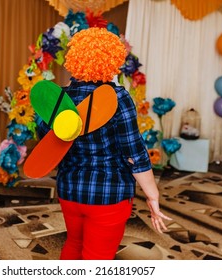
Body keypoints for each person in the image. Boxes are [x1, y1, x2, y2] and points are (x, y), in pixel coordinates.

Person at [36, 27, 171, 260]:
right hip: (109, 194)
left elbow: (47, 142)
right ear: (113, 60)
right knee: (98, 258)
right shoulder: (118, 98)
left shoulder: (59, 98)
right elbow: (134, 153)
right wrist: (152, 195)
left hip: (69, 190)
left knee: (73, 245)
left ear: (74, 58)